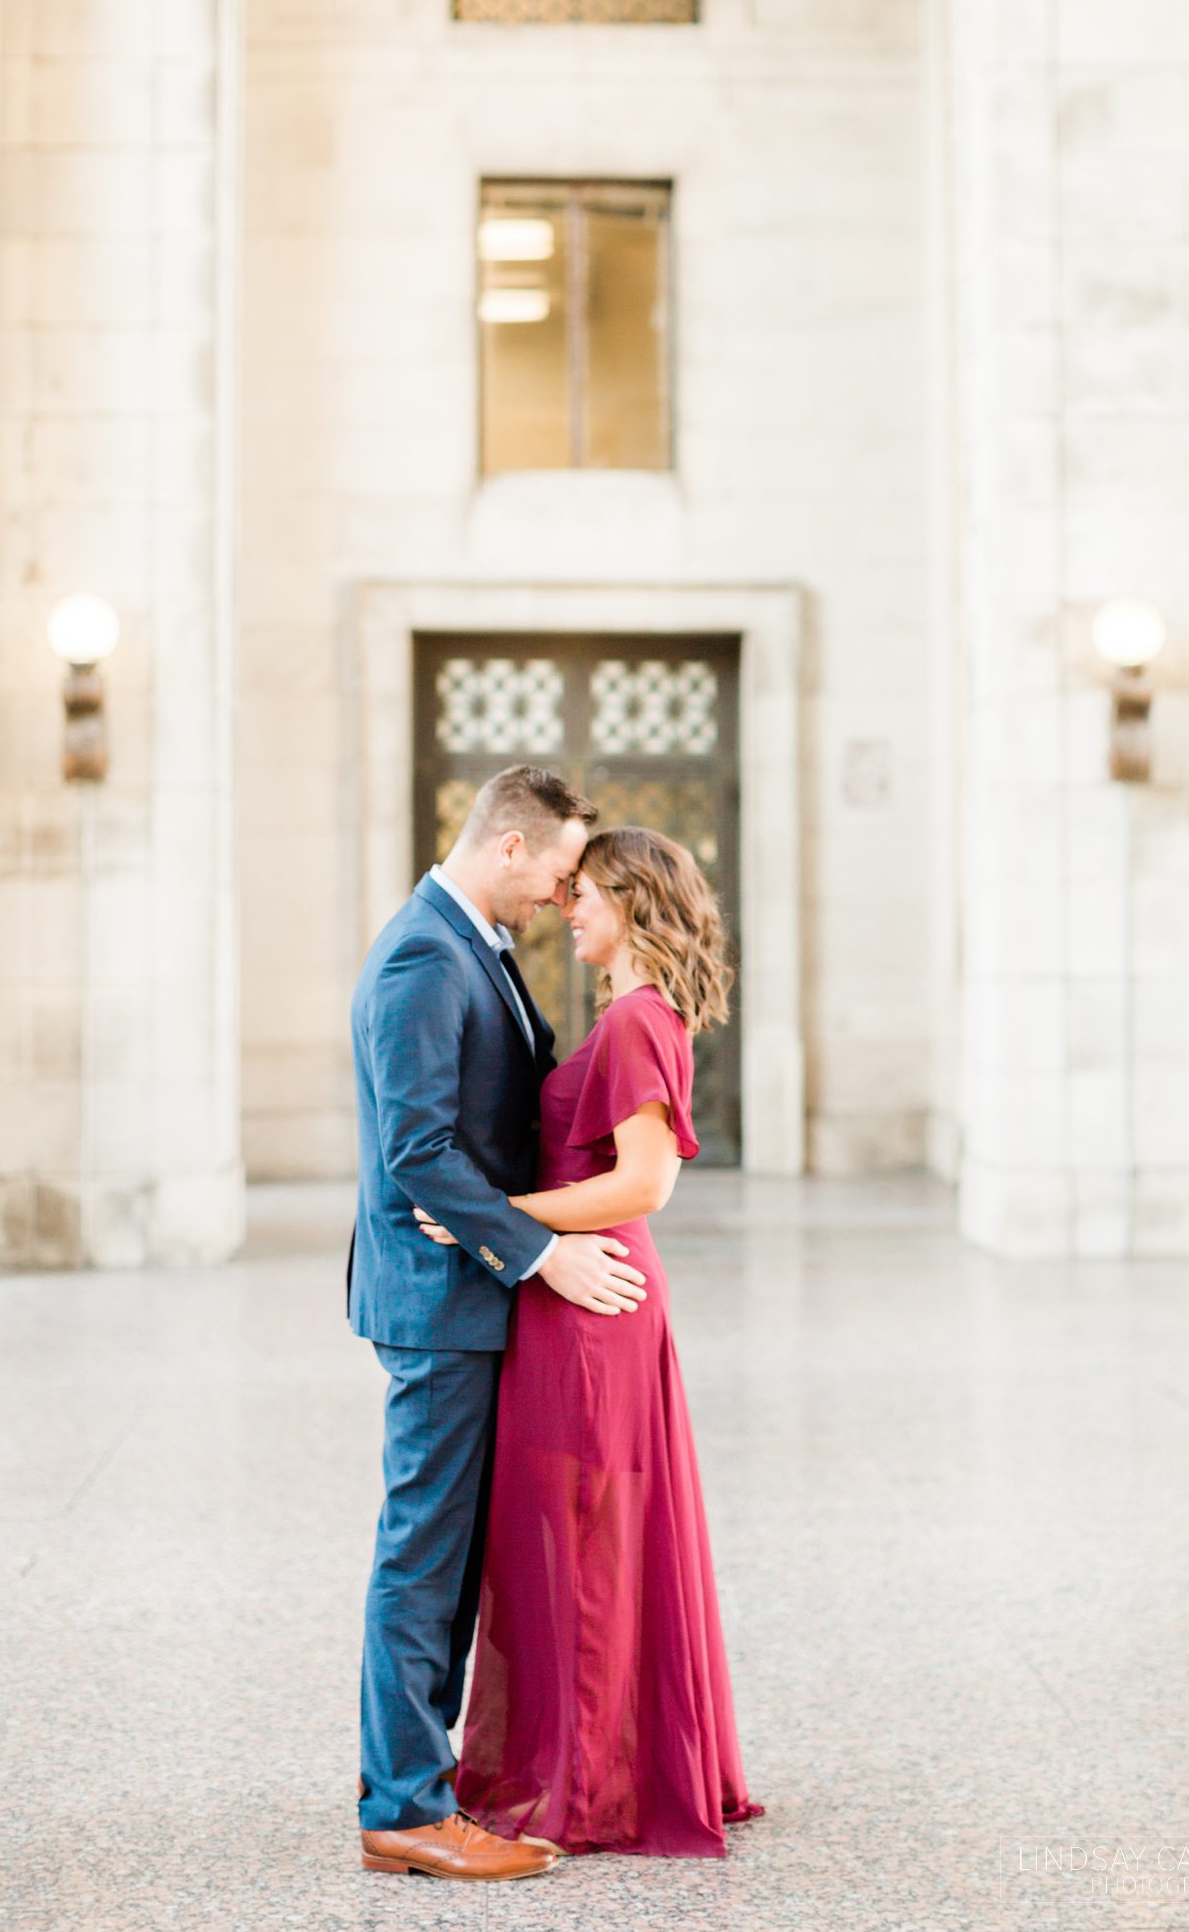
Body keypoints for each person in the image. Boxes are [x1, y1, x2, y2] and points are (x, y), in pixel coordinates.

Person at [418, 827, 764, 1856]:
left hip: (591, 1301)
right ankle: (602, 1754)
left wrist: (495, 1211)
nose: (565, 908)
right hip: (584, 1291)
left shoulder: (633, 1022)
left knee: (583, 1537)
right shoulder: (626, 1015)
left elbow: (646, 1181)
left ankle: (591, 1782)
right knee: (584, 1533)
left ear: (630, 898)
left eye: (583, 894)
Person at [347, 766, 652, 1883]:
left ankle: (426, 1783)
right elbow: (418, 1151)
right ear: (511, 846)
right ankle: (403, 1807)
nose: (561, 896)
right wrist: (544, 1250)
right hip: (439, 1300)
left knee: (452, 1549)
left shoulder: (471, 941)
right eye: (560, 872)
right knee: (423, 1553)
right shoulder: (427, 954)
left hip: (470, 1295)